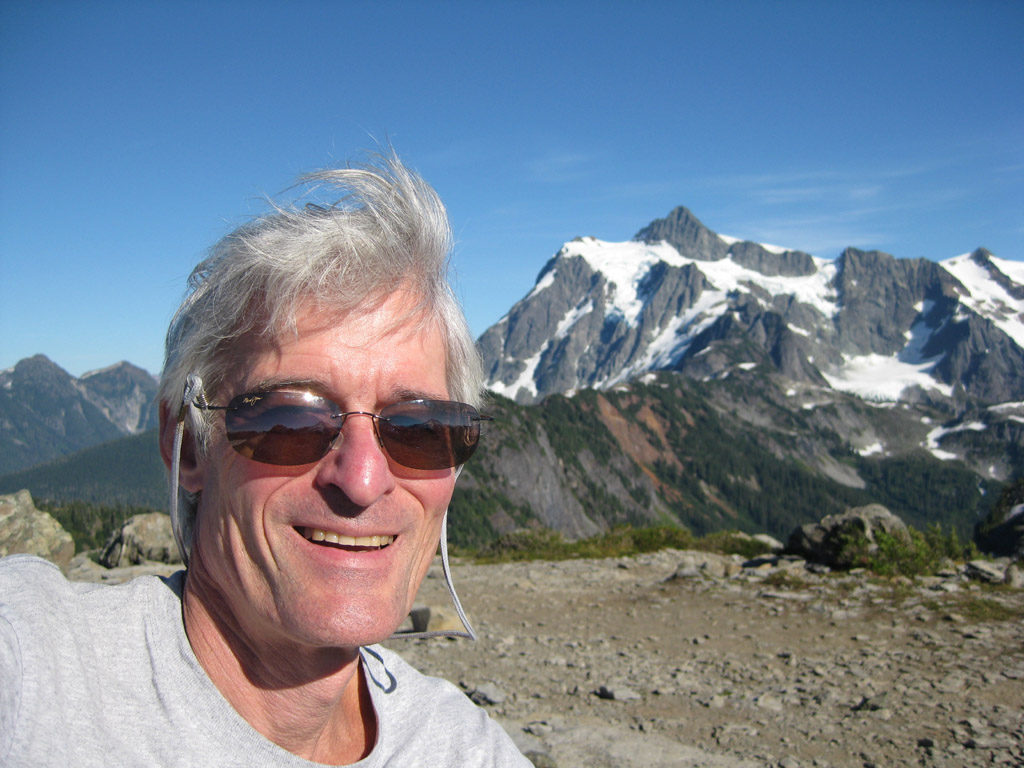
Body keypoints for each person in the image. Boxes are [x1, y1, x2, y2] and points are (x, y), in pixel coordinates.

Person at [0, 153, 532, 766]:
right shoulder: (36, 667)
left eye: (419, 429)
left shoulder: (466, 749)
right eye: (291, 421)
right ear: (189, 444)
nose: (363, 480)